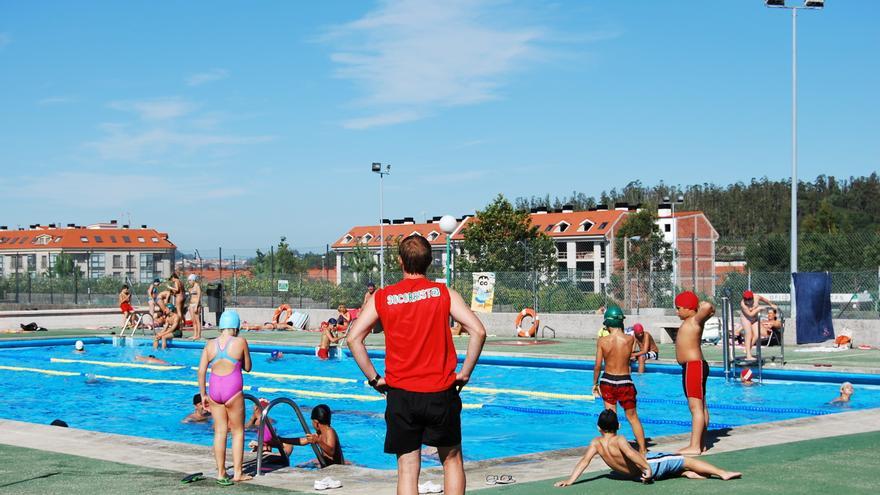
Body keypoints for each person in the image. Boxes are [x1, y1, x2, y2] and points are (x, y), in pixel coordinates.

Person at [347, 234, 487, 495]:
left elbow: (354, 338)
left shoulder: (383, 297)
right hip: (440, 391)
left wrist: (375, 378)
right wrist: (465, 374)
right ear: (430, 262)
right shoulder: (443, 293)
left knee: (408, 468)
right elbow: (478, 331)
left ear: (400, 262)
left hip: (401, 394)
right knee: (452, 460)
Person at [553, 410, 741, 487]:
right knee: (684, 459)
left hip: (635, 474)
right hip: (647, 466)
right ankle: (722, 473)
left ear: (598, 428)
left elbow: (584, 462)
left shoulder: (596, 442)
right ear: (618, 426)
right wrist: (647, 469)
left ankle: (685, 473)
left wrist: (570, 480)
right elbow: (631, 455)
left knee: (676, 465)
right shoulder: (619, 440)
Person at [197, 310, 252, 485]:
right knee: (237, 432)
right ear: (236, 327)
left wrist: (203, 394)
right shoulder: (240, 342)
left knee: (220, 432)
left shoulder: (209, 345)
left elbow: (201, 371)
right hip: (233, 390)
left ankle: (221, 473)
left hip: (214, 390)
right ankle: (237, 472)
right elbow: (248, 367)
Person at [592, 306, 646, 454]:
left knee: (610, 418)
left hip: (607, 381)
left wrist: (595, 383)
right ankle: (642, 449)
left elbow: (597, 365)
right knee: (633, 417)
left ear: (608, 324)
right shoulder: (630, 339)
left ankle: (612, 448)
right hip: (624, 381)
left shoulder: (602, 341)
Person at [674, 291, 715, 455]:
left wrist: (698, 305)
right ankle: (701, 443)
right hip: (693, 367)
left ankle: (694, 446)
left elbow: (708, 307)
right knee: (701, 407)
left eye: (678, 308)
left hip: (694, 367)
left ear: (688, 308)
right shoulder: (692, 320)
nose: (677, 312)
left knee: (696, 408)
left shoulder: (695, 320)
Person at [274, 404, 345, 466]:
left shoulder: (329, 431)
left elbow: (331, 451)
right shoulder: (319, 433)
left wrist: (318, 441)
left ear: (316, 422)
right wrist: (282, 439)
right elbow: (302, 441)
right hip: (327, 466)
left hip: (336, 470)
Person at [740, 290, 777, 360]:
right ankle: (748, 355)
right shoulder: (743, 304)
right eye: (746, 300)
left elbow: (764, 299)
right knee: (749, 335)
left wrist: (771, 304)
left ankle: (747, 348)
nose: (747, 302)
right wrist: (759, 308)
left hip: (755, 318)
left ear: (752, 298)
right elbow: (750, 314)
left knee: (757, 334)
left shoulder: (756, 297)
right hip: (746, 319)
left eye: (749, 300)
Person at [188, 274, 203, 340]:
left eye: (190, 280)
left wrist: (196, 306)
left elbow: (199, 296)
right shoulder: (192, 287)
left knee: (197, 321)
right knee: (193, 321)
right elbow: (191, 296)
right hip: (191, 305)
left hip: (196, 305)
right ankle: (194, 334)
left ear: (193, 280)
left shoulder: (197, 286)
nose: (189, 282)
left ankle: (198, 335)